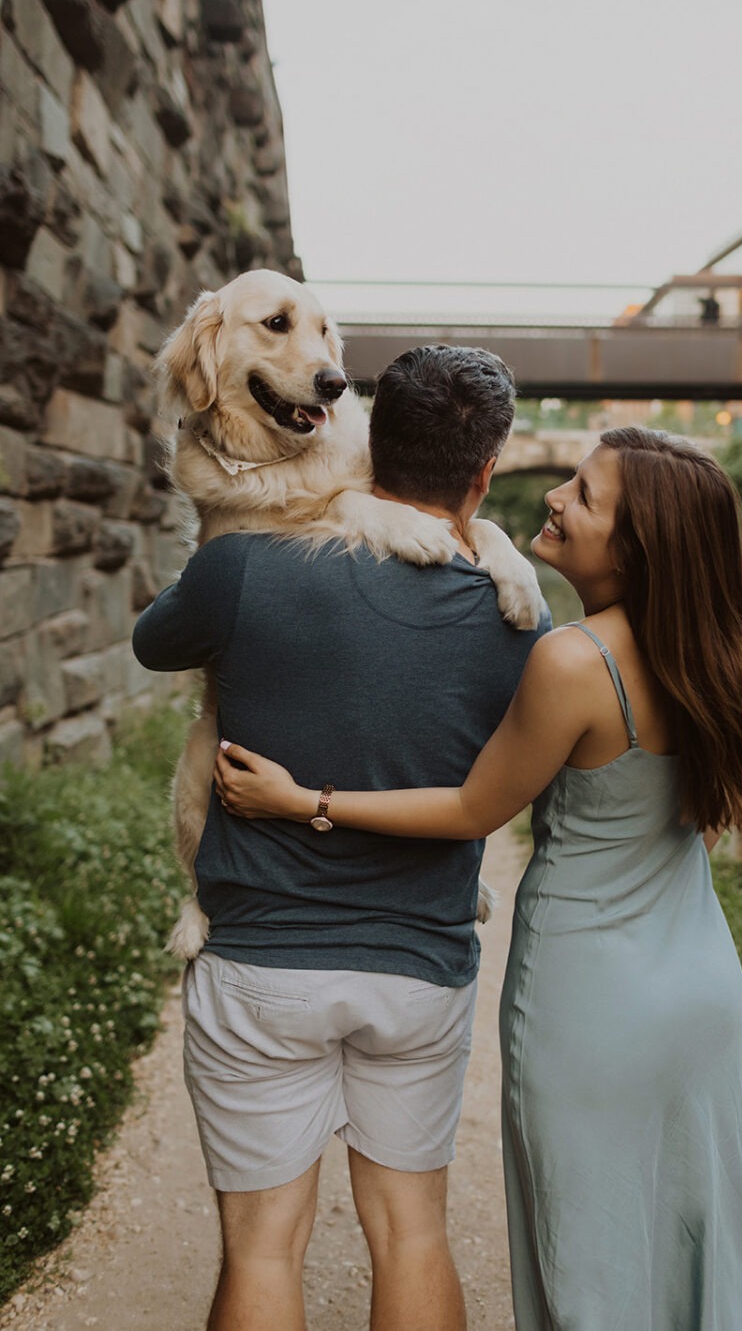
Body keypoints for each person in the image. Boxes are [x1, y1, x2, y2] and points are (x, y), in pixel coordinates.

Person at [214, 426, 742, 1331]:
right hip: (699, 993)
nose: (555, 497)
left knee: (585, 1246)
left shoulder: (572, 660)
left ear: (636, 548)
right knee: (689, 1232)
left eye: (584, 495)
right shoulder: (717, 659)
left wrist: (306, 802)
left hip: (590, 997)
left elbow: (470, 811)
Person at [132, 344, 550, 1331]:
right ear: (485, 472)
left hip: (261, 969)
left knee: (264, 1249)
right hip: (418, 968)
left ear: (363, 439)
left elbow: (155, 641)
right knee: (412, 1233)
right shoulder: (515, 623)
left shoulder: (238, 568)